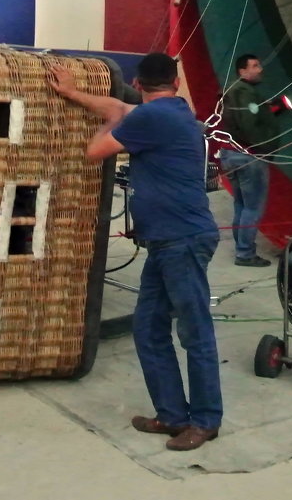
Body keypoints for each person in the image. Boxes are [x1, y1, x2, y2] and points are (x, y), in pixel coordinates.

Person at [48, 54, 221, 452]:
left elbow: (96, 149)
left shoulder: (148, 119)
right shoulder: (175, 113)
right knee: (148, 328)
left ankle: (206, 420)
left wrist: (110, 126)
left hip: (181, 241)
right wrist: (74, 93)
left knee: (194, 332)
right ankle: (174, 416)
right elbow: (120, 108)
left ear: (138, 83)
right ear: (174, 83)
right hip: (168, 240)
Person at [219, 53, 280, 267]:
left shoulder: (235, 92)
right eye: (255, 65)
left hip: (230, 155)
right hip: (248, 156)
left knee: (241, 205)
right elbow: (248, 125)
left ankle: (242, 248)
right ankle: (245, 253)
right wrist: (266, 149)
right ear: (242, 71)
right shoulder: (245, 93)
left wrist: (270, 111)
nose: (260, 69)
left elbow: (249, 118)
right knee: (252, 208)